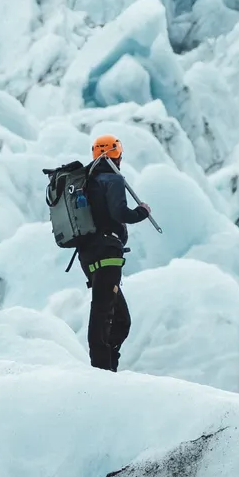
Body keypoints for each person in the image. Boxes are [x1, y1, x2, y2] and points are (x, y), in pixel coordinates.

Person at [78, 134, 151, 372]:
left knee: (120, 320)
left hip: (88, 255)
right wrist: (141, 211)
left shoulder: (86, 181)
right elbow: (120, 213)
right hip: (108, 252)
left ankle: (109, 367)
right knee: (103, 310)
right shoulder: (113, 180)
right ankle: (101, 373)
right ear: (117, 154)